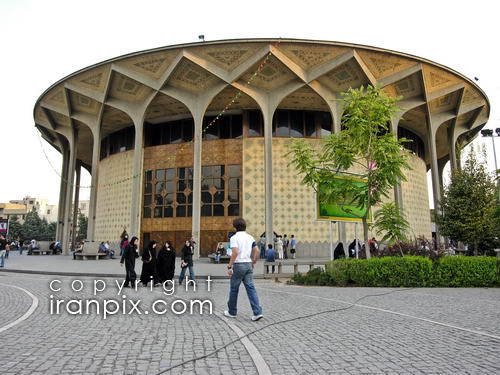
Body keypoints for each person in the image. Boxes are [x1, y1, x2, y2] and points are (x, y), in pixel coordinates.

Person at [224, 217, 263, 321]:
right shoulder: (250, 237)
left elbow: (235, 252)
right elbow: (257, 250)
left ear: (235, 227)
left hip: (238, 265)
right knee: (251, 288)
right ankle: (257, 312)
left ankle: (232, 312)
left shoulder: (234, 238)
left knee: (234, 289)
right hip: (248, 264)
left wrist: (229, 265)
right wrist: (254, 261)